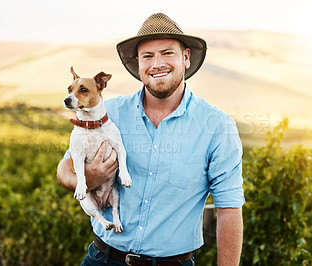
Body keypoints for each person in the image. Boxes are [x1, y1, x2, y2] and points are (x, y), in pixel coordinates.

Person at [57, 13, 244, 266]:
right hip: (102, 258)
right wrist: (89, 177)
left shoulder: (218, 127)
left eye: (167, 53)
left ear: (186, 57)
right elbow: (64, 169)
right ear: (138, 62)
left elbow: (229, 209)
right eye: (147, 56)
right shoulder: (105, 113)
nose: (157, 64)